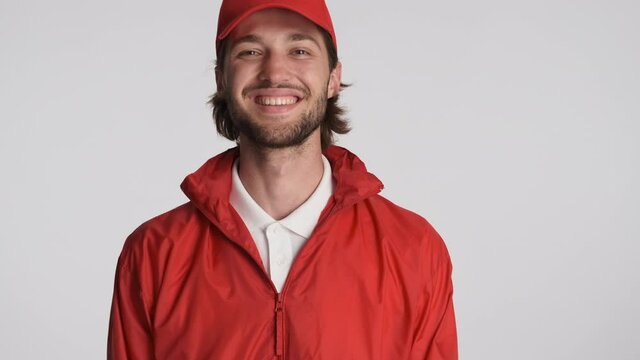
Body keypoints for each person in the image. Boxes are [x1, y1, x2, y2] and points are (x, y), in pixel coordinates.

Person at [107, 0, 458, 358]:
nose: (275, 72)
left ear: (333, 78)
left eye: (300, 50)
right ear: (222, 79)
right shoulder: (154, 253)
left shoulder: (413, 249)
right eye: (251, 51)